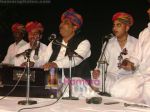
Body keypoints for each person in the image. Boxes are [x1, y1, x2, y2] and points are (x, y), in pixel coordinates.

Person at [37, 8, 91, 90]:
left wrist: (55, 64)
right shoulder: (54, 43)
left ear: (75, 27)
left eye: (66, 23)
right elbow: (45, 60)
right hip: (53, 81)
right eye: (61, 22)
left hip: (76, 82)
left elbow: (75, 59)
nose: (61, 25)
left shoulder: (84, 42)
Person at [110, 8, 150, 105]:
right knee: (117, 90)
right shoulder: (145, 33)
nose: (148, 11)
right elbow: (136, 57)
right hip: (141, 78)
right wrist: (130, 63)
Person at [91, 12, 138, 93]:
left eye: (118, 25)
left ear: (127, 28)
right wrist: (97, 70)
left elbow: (139, 64)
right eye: (114, 25)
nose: (114, 28)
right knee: (95, 76)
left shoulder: (136, 43)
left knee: (132, 84)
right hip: (111, 76)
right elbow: (102, 62)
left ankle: (113, 92)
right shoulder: (109, 43)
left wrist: (132, 66)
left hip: (128, 78)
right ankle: (96, 97)